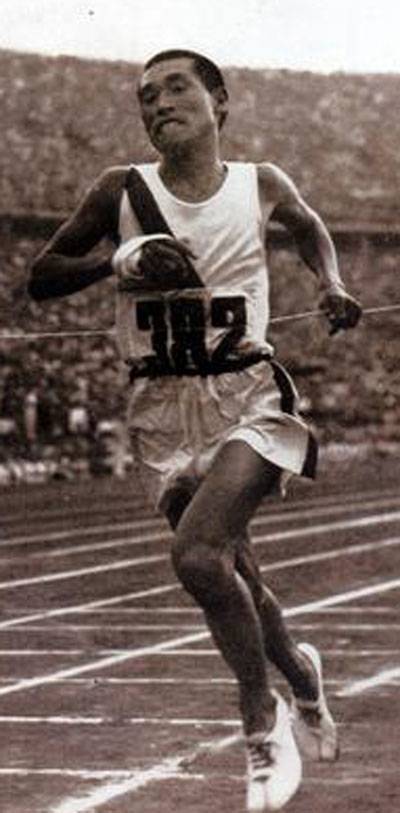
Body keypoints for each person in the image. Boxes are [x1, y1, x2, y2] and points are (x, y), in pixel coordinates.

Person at [28, 49, 361, 811]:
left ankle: (260, 721)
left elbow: (310, 228)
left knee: (198, 554)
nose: (158, 103)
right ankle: (303, 677)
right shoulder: (119, 188)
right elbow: (40, 276)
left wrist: (333, 283)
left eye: (175, 88)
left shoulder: (259, 182)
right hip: (161, 407)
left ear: (219, 101)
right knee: (234, 574)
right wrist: (118, 262)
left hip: (246, 391)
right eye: (146, 96)